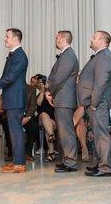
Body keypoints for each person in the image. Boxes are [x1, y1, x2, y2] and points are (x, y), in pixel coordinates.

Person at [79, 31, 111, 177]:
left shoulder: (104, 56)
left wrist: (93, 103)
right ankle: (98, 164)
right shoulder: (100, 56)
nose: (91, 39)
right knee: (95, 135)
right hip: (94, 103)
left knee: (101, 135)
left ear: (101, 40)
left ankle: (105, 167)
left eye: (94, 37)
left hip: (98, 103)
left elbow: (101, 82)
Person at [0, 28, 29, 174]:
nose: (5, 39)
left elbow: (11, 77)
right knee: (13, 132)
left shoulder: (20, 56)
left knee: (16, 132)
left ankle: (20, 164)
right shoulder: (15, 55)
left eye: (7, 36)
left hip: (15, 99)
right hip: (12, 98)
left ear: (15, 39)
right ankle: (16, 161)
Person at [46, 30, 79, 173]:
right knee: (64, 132)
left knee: (67, 132)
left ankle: (71, 162)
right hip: (62, 99)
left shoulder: (69, 55)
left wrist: (49, 91)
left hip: (65, 99)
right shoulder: (65, 55)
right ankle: (67, 160)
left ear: (63, 39)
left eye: (57, 37)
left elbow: (59, 78)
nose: (55, 39)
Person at [36, 75, 57, 162]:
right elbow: (39, 103)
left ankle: (51, 153)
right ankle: (51, 150)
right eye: (41, 83)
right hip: (41, 118)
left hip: (52, 120)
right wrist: (42, 91)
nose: (43, 84)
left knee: (49, 125)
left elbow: (55, 105)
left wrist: (49, 92)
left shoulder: (53, 93)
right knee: (44, 115)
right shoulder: (40, 93)